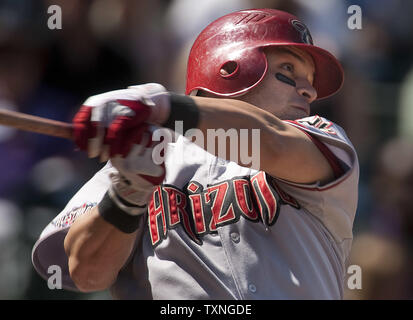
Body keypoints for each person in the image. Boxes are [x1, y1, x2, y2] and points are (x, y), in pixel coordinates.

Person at [32, 8, 359, 299]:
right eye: (289, 69)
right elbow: (87, 272)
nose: (310, 90)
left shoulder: (319, 137)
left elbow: (270, 141)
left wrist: (157, 105)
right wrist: (128, 193)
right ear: (231, 67)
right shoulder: (146, 153)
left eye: (310, 80)